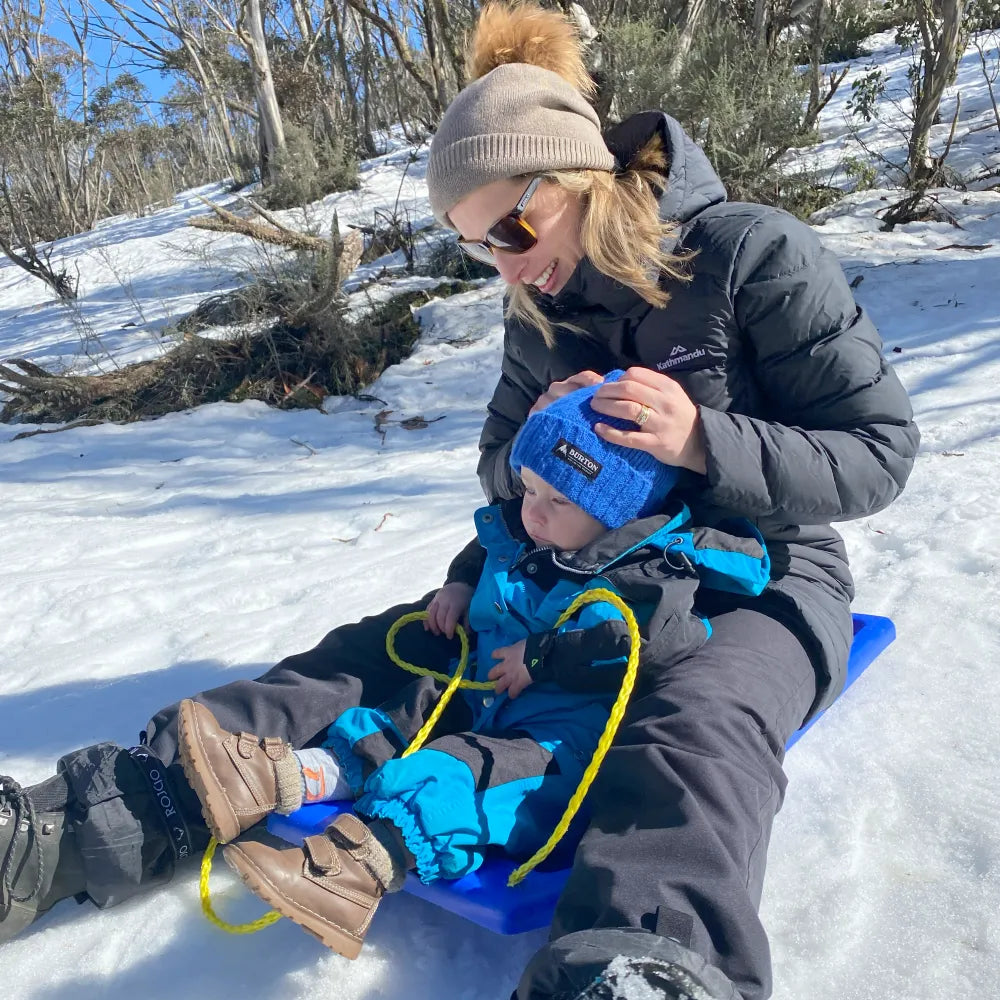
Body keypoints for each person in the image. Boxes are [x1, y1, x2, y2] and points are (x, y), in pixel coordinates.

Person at [0, 4, 919, 999]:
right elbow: (495, 466)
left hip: (752, 575)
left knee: (697, 722)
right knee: (381, 653)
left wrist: (701, 440)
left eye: (515, 227)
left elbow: (877, 451)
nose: (510, 265)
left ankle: (642, 966)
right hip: (560, 564)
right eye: (483, 246)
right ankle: (100, 816)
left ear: (577, 176)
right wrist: (539, 446)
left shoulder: (748, 255)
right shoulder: (539, 311)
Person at [172, 371, 770, 959]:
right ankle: (284, 778)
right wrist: (460, 584)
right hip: (488, 692)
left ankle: (356, 871)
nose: (534, 512)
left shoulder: (650, 568)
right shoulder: (538, 531)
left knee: (462, 771)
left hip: (557, 742)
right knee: (408, 712)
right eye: (529, 489)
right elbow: (492, 543)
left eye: (558, 500)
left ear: (618, 510)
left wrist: (545, 658)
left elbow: (653, 641)